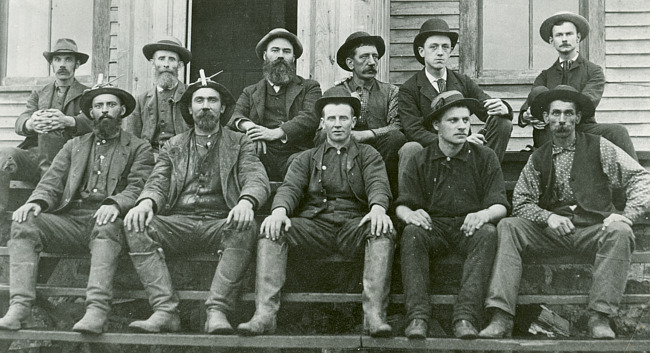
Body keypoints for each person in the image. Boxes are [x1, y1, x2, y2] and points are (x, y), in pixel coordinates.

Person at [480, 85, 650, 339]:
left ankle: (599, 317)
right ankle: (502, 316)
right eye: (556, 114)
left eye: (568, 114)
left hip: (593, 229)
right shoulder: (537, 158)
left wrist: (627, 214)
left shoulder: (599, 146)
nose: (562, 120)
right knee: (508, 226)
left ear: (578, 118)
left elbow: (640, 177)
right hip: (551, 233)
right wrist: (547, 217)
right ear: (546, 118)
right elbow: (521, 201)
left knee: (621, 231)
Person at [237, 91, 395, 337]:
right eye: (331, 118)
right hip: (315, 226)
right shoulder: (306, 158)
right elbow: (289, 188)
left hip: (352, 225)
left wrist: (377, 208)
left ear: (354, 122)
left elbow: (378, 184)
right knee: (272, 229)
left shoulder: (368, 155)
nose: (338, 124)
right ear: (322, 122)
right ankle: (264, 314)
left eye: (344, 118)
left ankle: (374, 315)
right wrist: (278, 212)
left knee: (382, 228)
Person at [0, 82, 154, 334]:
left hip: (108, 221)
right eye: (99, 106)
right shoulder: (74, 145)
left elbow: (138, 187)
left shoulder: (139, 147)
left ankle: (96, 310)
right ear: (91, 113)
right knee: (25, 222)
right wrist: (35, 202)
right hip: (70, 221)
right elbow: (51, 180)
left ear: (122, 110)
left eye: (111, 105)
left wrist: (115, 203)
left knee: (107, 224)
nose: (105, 111)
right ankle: (20, 307)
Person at [123, 72, 270, 334]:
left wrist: (247, 202)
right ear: (189, 110)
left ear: (222, 107)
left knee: (246, 226)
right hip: (178, 222)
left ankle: (217, 311)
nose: (205, 106)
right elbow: (158, 181)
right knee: (137, 225)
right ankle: (165, 310)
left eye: (212, 101)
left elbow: (256, 177)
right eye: (199, 101)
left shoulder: (239, 142)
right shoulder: (173, 145)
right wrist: (146, 203)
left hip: (220, 222)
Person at [397, 91, 509, 339]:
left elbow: (500, 204)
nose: (462, 127)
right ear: (436, 125)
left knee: (488, 233)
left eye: (466, 120)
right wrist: (410, 215)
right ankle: (417, 317)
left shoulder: (485, 157)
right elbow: (402, 204)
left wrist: (484, 214)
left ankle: (466, 317)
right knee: (411, 233)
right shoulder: (420, 159)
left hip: (468, 229)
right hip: (433, 229)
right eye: (453, 120)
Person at [398, 18, 513, 183]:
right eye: (433, 47)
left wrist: (504, 108)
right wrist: (450, 140)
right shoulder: (409, 88)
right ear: (422, 51)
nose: (440, 52)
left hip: (464, 149)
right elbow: (414, 130)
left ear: (451, 51)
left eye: (445, 47)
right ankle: (410, 203)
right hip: (431, 152)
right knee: (410, 147)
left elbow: (485, 106)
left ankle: (484, 177)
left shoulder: (462, 81)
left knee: (503, 122)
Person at [519, 12, 636, 159]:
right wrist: (527, 115)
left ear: (578, 38)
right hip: (552, 131)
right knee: (539, 92)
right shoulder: (545, 76)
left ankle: (638, 180)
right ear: (551, 41)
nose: (564, 39)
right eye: (559, 35)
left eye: (569, 34)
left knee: (618, 131)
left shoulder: (594, 71)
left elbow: (587, 103)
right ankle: (551, 165)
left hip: (582, 128)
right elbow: (529, 105)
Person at [0, 38, 92, 214]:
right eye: (57, 60)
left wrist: (68, 121)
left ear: (77, 64)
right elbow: (21, 121)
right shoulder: (40, 93)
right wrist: (31, 123)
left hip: (70, 160)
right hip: (36, 157)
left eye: (68, 59)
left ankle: (45, 207)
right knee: (4, 155)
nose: (62, 65)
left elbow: (93, 122)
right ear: (51, 63)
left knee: (51, 133)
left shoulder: (87, 93)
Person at [318, 31, 406, 196]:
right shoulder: (333, 93)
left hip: (380, 150)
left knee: (396, 137)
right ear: (351, 63)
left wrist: (366, 134)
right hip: (343, 149)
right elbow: (320, 133)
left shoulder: (391, 91)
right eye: (364, 57)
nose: (372, 62)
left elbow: (397, 126)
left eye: (375, 57)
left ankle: (384, 195)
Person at [228, 28, 322, 181]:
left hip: (296, 153)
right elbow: (234, 115)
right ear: (265, 55)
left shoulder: (310, 87)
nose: (280, 56)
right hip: (261, 153)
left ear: (293, 58)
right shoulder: (250, 91)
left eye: (286, 51)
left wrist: (275, 133)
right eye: (275, 50)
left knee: (301, 167)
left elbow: (311, 116)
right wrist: (252, 129)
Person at [126, 37, 193, 153]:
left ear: (180, 65)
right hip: (150, 159)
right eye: (161, 59)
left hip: (183, 157)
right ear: (153, 63)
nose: (166, 64)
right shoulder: (141, 101)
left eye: (171, 60)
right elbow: (132, 139)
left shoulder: (191, 96)